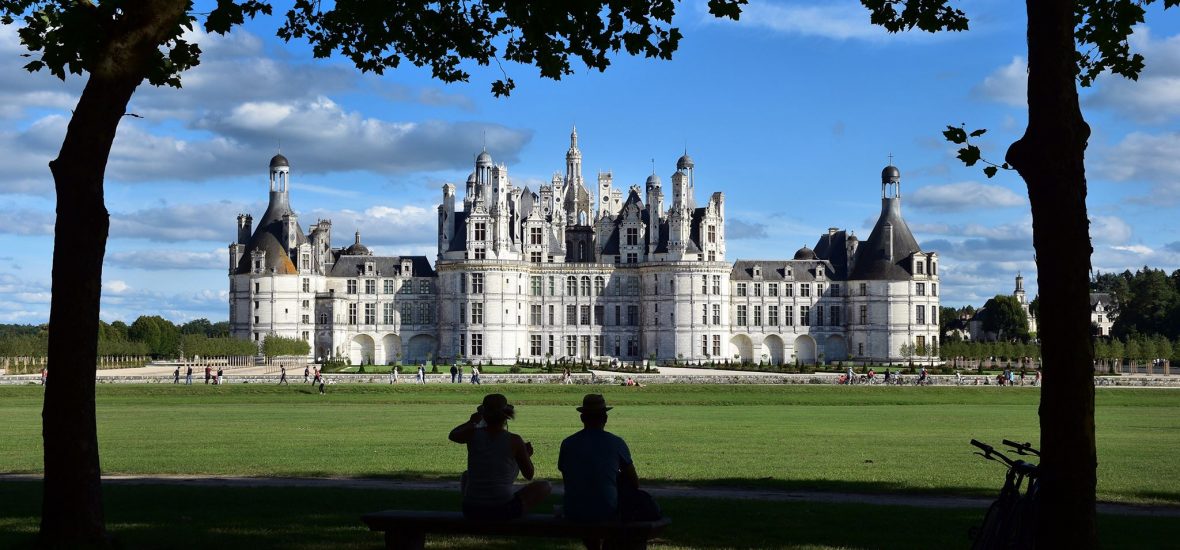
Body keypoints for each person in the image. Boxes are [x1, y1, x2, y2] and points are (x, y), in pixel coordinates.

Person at [559, 394, 659, 540]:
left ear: (582, 418)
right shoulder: (616, 443)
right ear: (605, 418)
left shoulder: (567, 443)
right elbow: (634, 483)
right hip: (606, 510)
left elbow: (568, 474)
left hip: (573, 510)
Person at [449, 394, 551, 520]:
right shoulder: (515, 440)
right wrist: (525, 455)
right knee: (544, 486)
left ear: (483, 415)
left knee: (466, 475)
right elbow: (529, 474)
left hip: (471, 510)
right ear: (507, 415)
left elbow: (453, 435)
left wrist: (472, 422)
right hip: (502, 510)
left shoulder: (472, 435)